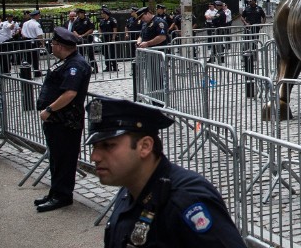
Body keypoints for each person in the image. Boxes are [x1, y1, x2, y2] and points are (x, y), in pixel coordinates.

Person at [86, 98, 245, 247]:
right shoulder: (129, 191)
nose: (95, 157)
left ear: (145, 146)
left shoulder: (185, 200)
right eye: (95, 147)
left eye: (108, 145)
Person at [34, 27, 92, 212]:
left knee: (64, 159)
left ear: (59, 46)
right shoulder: (65, 62)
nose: (51, 46)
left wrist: (49, 110)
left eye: (53, 43)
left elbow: (70, 93)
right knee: (56, 158)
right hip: (57, 120)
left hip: (65, 120)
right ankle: (55, 192)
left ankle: (63, 195)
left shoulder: (75, 65)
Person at [97, 8, 120, 72]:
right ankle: (108, 66)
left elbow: (115, 29)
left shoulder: (112, 20)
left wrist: (113, 38)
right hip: (104, 39)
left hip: (110, 39)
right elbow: (99, 28)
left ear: (105, 14)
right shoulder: (102, 21)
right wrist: (100, 34)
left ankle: (115, 66)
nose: (101, 15)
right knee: (105, 53)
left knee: (112, 53)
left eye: (102, 13)